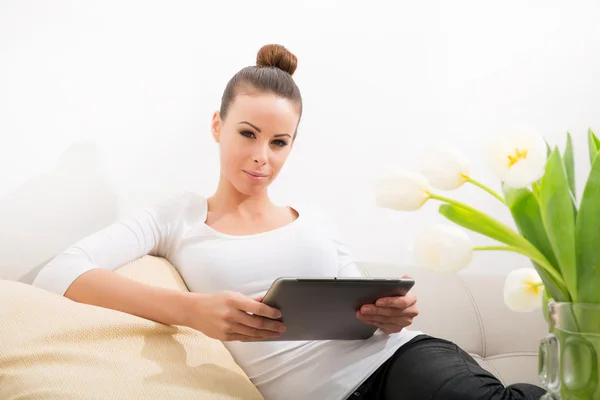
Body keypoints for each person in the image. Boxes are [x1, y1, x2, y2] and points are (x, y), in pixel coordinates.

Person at [32, 44, 546, 400]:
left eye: (279, 142)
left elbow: (362, 300)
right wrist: (192, 311)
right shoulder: (179, 216)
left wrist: (393, 312)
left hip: (397, 362)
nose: (262, 157)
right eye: (248, 134)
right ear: (218, 125)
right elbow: (60, 272)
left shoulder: (314, 221)